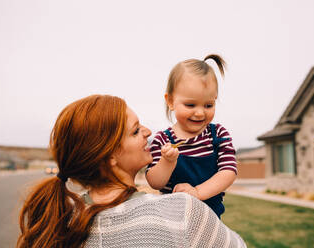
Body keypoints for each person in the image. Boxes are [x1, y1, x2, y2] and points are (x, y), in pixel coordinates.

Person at [17, 95, 247, 248]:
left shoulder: (59, 224)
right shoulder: (181, 211)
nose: (148, 132)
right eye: (136, 131)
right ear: (110, 156)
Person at [146, 54, 238, 218]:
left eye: (208, 105)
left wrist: (197, 192)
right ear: (171, 101)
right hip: (172, 219)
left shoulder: (217, 135)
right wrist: (167, 162)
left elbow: (228, 172)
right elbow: (154, 182)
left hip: (210, 218)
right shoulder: (162, 140)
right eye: (190, 104)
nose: (200, 112)